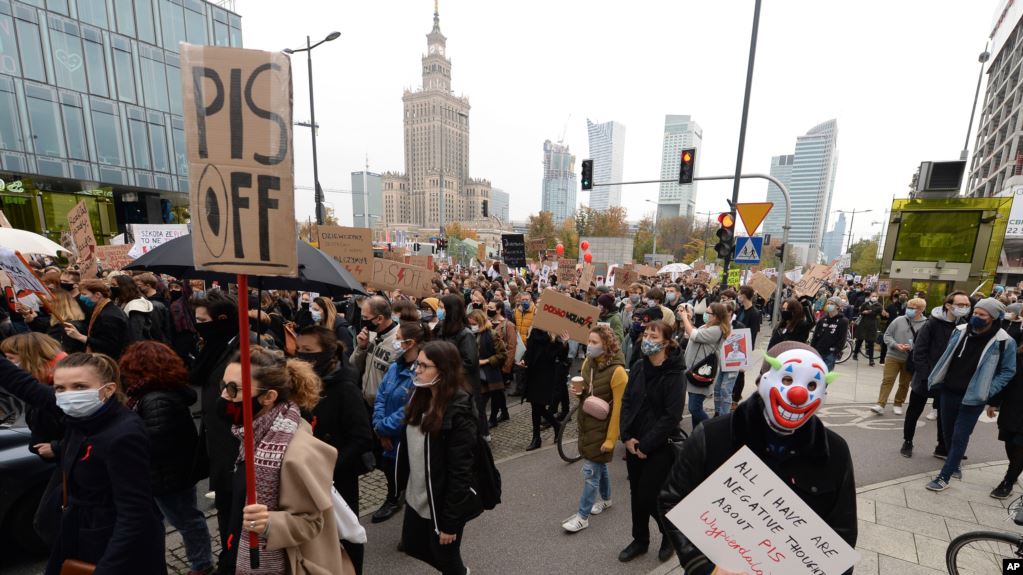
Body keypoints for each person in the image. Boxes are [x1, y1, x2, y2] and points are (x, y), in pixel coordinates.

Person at [658, 341, 856, 574]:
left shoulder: (834, 451)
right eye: (786, 380)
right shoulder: (712, 436)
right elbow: (672, 500)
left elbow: (842, 533)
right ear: (761, 380)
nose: (798, 394)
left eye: (812, 384)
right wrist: (703, 567)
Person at [0, 352, 167, 574]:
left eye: (79, 386)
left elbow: (135, 514)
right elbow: (26, 386)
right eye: (59, 388)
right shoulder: (85, 412)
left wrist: (108, 568)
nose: (68, 395)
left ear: (107, 390)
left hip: (112, 540)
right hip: (84, 529)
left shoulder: (123, 435)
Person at [217, 346, 352, 574]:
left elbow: (312, 523)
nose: (224, 396)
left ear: (269, 397)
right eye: (223, 385)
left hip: (281, 563)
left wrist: (270, 522)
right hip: (239, 549)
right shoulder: (254, 430)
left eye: (233, 389)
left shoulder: (296, 453)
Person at [119, 340, 214, 575]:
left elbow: (156, 441)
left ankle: (202, 564)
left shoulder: (155, 398)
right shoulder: (158, 392)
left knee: (186, 519)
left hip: (167, 474)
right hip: (168, 472)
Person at [397, 340, 481, 575]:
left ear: (443, 371)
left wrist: (450, 522)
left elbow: (460, 472)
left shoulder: (459, 411)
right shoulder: (419, 396)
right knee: (413, 545)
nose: (418, 370)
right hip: (418, 495)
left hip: (443, 502)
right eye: (418, 364)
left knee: (446, 556)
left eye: (425, 366)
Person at [295, 326, 372, 574]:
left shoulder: (345, 388)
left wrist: (329, 466)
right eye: (298, 350)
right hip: (310, 473)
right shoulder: (305, 384)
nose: (300, 356)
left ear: (327, 353)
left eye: (308, 351)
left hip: (338, 476)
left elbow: (362, 437)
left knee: (345, 532)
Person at [926, 298, 1016, 492]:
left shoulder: (1004, 341)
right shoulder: (960, 331)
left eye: (982, 315)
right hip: (949, 391)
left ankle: (945, 476)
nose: (976, 316)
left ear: (993, 317)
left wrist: (989, 391)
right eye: (975, 313)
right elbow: (946, 356)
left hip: (973, 398)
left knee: (960, 436)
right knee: (948, 433)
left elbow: (1008, 371)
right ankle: (955, 461)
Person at [618, 320, 685, 563]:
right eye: (645, 334)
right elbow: (626, 402)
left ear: (666, 342)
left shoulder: (675, 374)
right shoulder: (638, 366)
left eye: (653, 336)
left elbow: (672, 417)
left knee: (649, 496)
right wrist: (626, 437)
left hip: (659, 446)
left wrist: (645, 445)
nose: (646, 339)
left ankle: (669, 535)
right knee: (636, 494)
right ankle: (640, 540)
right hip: (633, 442)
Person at [190, 290, 243, 563]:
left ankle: (236, 559)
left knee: (238, 511)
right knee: (225, 508)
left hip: (237, 448)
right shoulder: (215, 345)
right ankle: (229, 557)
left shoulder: (246, 348)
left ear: (222, 319)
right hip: (219, 444)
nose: (197, 325)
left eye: (202, 320)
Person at [561, 325, 627, 534]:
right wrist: (578, 393)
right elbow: (586, 397)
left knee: (591, 474)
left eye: (594, 342)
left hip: (603, 429)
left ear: (606, 345)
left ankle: (583, 516)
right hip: (587, 424)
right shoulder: (588, 363)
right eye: (589, 341)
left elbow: (618, 409)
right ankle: (606, 500)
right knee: (600, 465)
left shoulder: (618, 372)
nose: (589, 346)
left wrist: (610, 439)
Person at [903, 292, 970, 458]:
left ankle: (942, 446)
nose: (964, 308)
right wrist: (926, 376)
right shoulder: (931, 324)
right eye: (960, 305)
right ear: (948, 305)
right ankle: (908, 441)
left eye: (967, 305)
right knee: (914, 410)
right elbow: (919, 352)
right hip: (925, 377)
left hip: (948, 379)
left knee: (945, 414)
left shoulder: (965, 326)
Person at [372, 321, 426, 524]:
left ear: (410, 343)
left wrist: (385, 428)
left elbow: (411, 408)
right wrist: (379, 426)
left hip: (403, 435)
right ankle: (393, 496)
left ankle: (398, 501)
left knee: (403, 472)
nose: (394, 341)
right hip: (385, 430)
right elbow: (381, 396)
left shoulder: (419, 372)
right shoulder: (395, 366)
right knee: (387, 467)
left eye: (397, 338)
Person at [436, 295, 485, 438]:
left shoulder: (465, 334)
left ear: (451, 310)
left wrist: (445, 368)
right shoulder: (441, 329)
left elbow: (469, 362)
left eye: (442, 307)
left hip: (463, 384)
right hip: (447, 383)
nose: (440, 310)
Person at [872, 297, 928, 416]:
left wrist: (912, 347)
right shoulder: (899, 320)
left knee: (904, 383)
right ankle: (880, 404)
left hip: (910, 359)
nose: (909, 310)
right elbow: (887, 335)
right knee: (887, 380)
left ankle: (898, 403)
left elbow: (926, 343)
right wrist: (895, 345)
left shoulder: (926, 324)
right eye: (908, 307)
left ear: (921, 310)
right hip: (893, 355)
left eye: (912, 308)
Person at [679, 302, 728, 428]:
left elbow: (694, 335)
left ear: (716, 316)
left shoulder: (717, 330)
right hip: (693, 371)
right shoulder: (707, 326)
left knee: (694, 408)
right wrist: (688, 319)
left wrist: (684, 318)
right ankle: (698, 433)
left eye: (708, 312)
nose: (705, 314)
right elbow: (692, 332)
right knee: (696, 407)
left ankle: (712, 429)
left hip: (702, 373)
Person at [521, 326, 567, 451]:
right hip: (533, 373)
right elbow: (529, 351)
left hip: (546, 374)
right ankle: (549, 430)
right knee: (535, 406)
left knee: (538, 406)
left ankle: (539, 437)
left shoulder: (553, 334)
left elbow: (560, 356)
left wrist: (563, 343)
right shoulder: (534, 331)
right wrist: (524, 360)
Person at [988, 340, 1023, 499]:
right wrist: (994, 403)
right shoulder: (1017, 356)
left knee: (1020, 445)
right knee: (1009, 442)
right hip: (1012, 406)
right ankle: (1014, 470)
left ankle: (1007, 482)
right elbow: (1006, 379)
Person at [352, 295, 401, 406]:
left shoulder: (399, 341)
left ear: (379, 319)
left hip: (382, 407)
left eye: (365, 318)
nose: (363, 321)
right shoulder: (370, 333)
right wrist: (361, 348)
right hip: (364, 400)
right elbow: (354, 366)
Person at [61, 278, 129, 358]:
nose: (81, 297)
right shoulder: (103, 309)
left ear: (97, 295)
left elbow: (109, 345)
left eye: (84, 294)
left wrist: (79, 336)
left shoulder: (109, 316)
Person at [468, 309, 508, 436]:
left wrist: (486, 361)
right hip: (475, 376)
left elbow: (502, 354)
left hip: (488, 376)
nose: (472, 326)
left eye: (473, 323)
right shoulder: (470, 334)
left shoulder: (491, 334)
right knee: (478, 406)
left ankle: (484, 432)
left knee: (481, 406)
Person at [111, 274, 166, 343]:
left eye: (114, 285)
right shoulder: (122, 301)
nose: (111, 287)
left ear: (124, 287)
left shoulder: (136, 306)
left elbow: (135, 334)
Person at [488, 299, 516, 425]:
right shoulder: (487, 323)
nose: (488, 309)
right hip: (490, 363)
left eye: (491, 307)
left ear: (498, 310)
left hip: (501, 365)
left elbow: (511, 347)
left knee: (495, 392)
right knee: (497, 391)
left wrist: (507, 368)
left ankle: (493, 418)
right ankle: (504, 412)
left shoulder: (508, 325)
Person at [811, 296, 849, 370]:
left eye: (832, 304)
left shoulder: (843, 321)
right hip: (818, 351)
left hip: (830, 353)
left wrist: (836, 350)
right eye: (828, 303)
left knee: (826, 375)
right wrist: (812, 348)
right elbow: (815, 335)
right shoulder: (822, 319)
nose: (829, 305)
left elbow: (842, 338)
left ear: (838, 306)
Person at [44, 289, 87, 353]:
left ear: (59, 305)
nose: (46, 304)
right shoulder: (77, 322)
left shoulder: (63, 328)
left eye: (49, 302)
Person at [854, 291, 882, 366]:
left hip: (873, 325)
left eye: (875, 296)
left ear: (878, 297)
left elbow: (878, 313)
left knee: (871, 342)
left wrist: (870, 312)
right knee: (859, 340)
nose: (874, 297)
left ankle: (871, 359)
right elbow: (859, 312)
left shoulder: (879, 305)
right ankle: (855, 353)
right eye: (873, 296)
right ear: (870, 297)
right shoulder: (865, 304)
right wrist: (863, 312)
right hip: (863, 324)